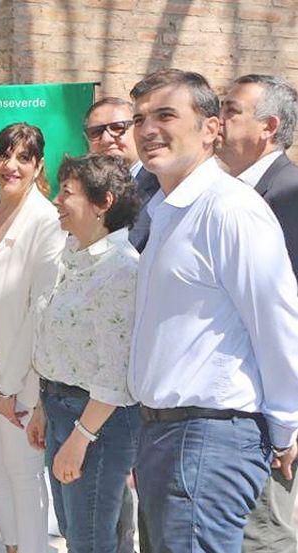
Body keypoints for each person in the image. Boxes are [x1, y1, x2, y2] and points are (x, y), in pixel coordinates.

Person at [129, 68, 298, 552]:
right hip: (166, 436)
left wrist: (285, 426)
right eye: (140, 118)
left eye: (166, 115)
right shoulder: (166, 211)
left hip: (208, 439)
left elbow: (277, 322)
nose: (147, 130)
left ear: (210, 128)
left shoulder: (229, 209)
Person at [26, 154, 142, 552]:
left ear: (103, 203)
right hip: (62, 409)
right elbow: (56, 340)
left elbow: (115, 371)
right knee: (78, 535)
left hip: (97, 424)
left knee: (90, 541)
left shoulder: (122, 269)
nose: (57, 200)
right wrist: (44, 405)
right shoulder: (73, 255)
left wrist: (80, 439)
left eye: (68, 193)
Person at [0, 123, 65, 553]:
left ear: (38, 165)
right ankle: (13, 546)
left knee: (23, 475)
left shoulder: (44, 221)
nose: (11, 166)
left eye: (23, 158)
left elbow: (40, 310)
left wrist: (14, 386)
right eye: (4, 155)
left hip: (22, 373)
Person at [217, 74, 298, 553]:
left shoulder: (288, 197)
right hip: (235, 411)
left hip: (274, 412)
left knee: (265, 535)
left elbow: (285, 314)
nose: (217, 121)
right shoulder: (230, 194)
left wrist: (291, 417)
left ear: (268, 126)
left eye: (230, 111)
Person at [82, 96, 155, 553]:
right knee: (105, 508)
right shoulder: (86, 198)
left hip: (145, 380)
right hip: (98, 377)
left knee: (150, 507)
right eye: (97, 131)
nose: (109, 136)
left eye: (119, 126)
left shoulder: (161, 191)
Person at [84, 97, 161, 253]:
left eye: (118, 128)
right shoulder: (82, 191)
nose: (106, 139)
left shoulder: (161, 187)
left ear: (138, 130)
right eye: (96, 132)